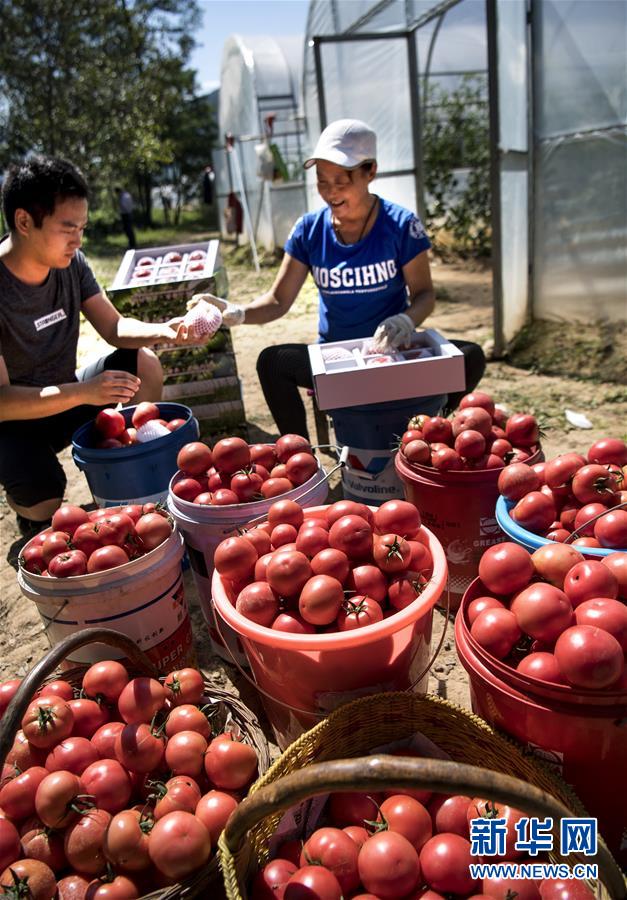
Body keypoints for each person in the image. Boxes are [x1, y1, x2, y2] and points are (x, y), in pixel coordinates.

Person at [197, 119, 486, 439]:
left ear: (370, 171)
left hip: (394, 356)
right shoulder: (309, 230)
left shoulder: (402, 225)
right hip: (337, 363)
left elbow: (424, 294)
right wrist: (236, 312)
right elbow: (278, 302)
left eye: (341, 180)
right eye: (322, 181)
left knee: (470, 355)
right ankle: (301, 458)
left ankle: (430, 429)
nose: (330, 192)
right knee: (272, 363)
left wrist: (405, 320)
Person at [0, 156, 203, 536]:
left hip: (69, 394)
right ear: (24, 221)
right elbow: (2, 401)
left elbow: (114, 326)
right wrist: (84, 392)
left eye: (82, 227)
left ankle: (134, 467)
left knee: (144, 363)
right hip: (15, 420)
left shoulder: (73, 263)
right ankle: (24, 495)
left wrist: (165, 329)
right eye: (68, 228)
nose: (78, 240)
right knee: (43, 501)